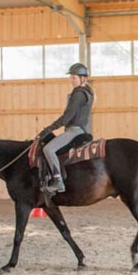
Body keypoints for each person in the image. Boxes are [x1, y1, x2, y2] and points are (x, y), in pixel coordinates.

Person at [39, 63, 94, 194]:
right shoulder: (83, 93)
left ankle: (58, 181)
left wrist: (48, 129)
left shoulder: (79, 94)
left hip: (74, 131)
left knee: (48, 149)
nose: (71, 80)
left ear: (82, 79)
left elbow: (67, 117)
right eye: (71, 77)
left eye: (74, 77)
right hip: (76, 129)